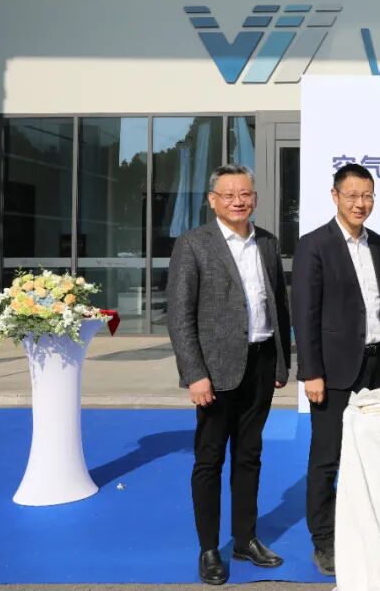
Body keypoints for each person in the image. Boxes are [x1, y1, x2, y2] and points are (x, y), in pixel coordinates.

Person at [167, 164, 291, 586]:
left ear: (254, 198)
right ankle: (208, 548)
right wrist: (194, 374)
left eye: (245, 194)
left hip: (261, 362)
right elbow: (180, 316)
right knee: (210, 459)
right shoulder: (193, 244)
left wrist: (280, 361)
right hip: (215, 371)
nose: (238, 201)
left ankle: (245, 539)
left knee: (249, 456)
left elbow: (278, 304)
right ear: (213, 200)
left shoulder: (267, 242)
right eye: (229, 194)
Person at [291, 163, 380, 577]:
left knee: (372, 452)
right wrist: (311, 372)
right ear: (335, 196)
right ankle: (324, 539)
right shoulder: (314, 245)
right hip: (333, 370)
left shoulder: (378, 245)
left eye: (367, 196)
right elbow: (305, 313)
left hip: (375, 365)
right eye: (352, 195)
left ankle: (368, 530)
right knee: (327, 457)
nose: (360, 203)